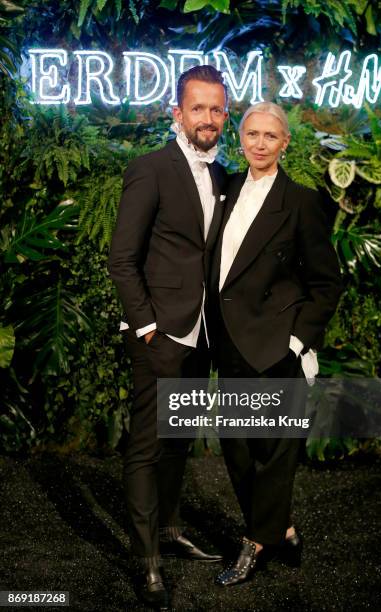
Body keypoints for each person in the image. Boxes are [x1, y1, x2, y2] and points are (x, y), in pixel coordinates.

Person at [108, 65, 228, 609]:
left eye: (217, 108)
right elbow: (122, 259)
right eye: (198, 107)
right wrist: (147, 325)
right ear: (176, 113)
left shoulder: (223, 175)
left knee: (180, 441)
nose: (209, 118)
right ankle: (144, 558)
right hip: (159, 334)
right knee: (147, 446)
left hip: (200, 335)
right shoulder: (150, 169)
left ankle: (169, 529)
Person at [209, 102, 342, 586]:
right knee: (238, 447)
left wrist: (296, 340)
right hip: (229, 342)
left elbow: (327, 282)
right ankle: (280, 527)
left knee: (274, 450)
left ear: (285, 143)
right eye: (251, 134)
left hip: (274, 346)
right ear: (240, 139)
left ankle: (254, 541)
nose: (259, 143)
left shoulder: (302, 202)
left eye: (270, 136)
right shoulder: (224, 190)